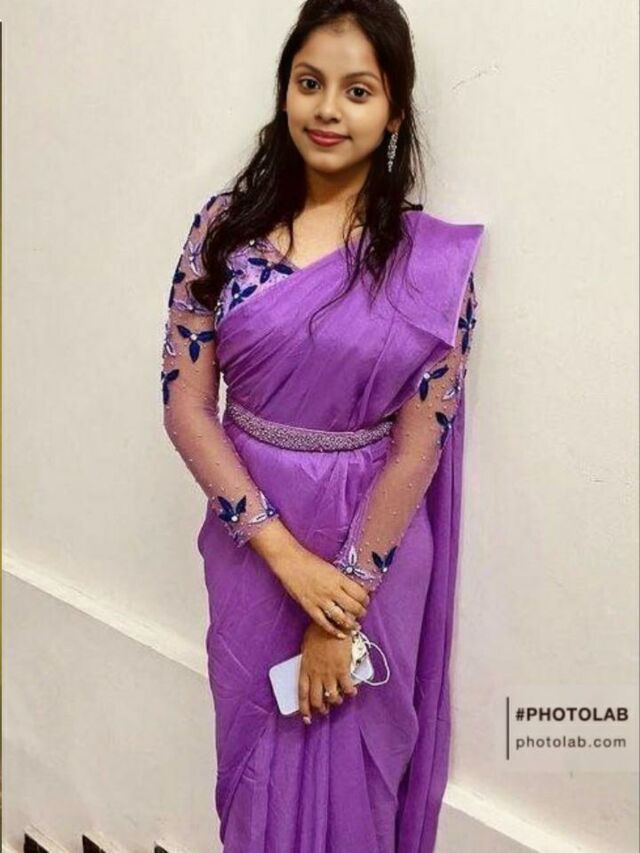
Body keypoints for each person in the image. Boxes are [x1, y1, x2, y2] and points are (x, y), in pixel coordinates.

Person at [161, 1, 485, 850]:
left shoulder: (431, 264)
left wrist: (338, 605)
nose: (328, 109)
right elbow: (187, 409)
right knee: (252, 770)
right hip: (252, 546)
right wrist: (285, 557)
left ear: (395, 111)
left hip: (371, 555)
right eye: (310, 83)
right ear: (285, 91)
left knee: (355, 779)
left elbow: (418, 447)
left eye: (357, 90)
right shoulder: (224, 231)